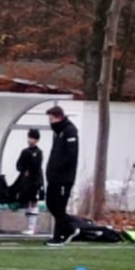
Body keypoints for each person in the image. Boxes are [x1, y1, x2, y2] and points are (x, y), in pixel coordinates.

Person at [44, 105, 79, 246]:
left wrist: (58, 169)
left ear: (59, 117)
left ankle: (60, 236)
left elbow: (71, 155)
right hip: (54, 177)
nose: (50, 122)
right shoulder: (58, 132)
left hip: (64, 178)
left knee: (59, 207)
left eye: (51, 119)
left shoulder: (69, 131)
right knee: (50, 203)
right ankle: (71, 226)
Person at [10, 128, 44, 236]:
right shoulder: (24, 151)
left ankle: (32, 227)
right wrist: (24, 171)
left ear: (37, 140)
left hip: (36, 181)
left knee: (33, 202)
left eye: (32, 138)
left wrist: (35, 178)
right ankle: (30, 227)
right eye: (29, 137)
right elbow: (18, 165)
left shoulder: (38, 152)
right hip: (25, 182)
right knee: (28, 202)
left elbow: (37, 167)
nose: (30, 140)